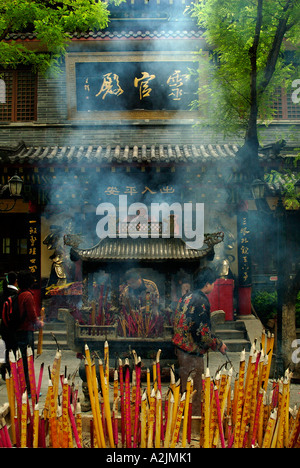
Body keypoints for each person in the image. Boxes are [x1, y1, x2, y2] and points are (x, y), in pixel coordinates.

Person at [172, 267, 227, 414]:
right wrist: (218, 344)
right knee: (194, 391)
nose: (214, 286)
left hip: (180, 350)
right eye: (213, 283)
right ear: (207, 284)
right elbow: (203, 333)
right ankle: (193, 425)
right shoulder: (201, 301)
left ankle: (182, 420)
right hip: (191, 353)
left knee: (184, 387)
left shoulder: (186, 297)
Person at [3, 270, 43, 390]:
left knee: (21, 359)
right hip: (26, 332)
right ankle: (28, 388)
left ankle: (21, 386)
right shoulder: (27, 296)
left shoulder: (19, 294)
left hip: (18, 332)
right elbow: (32, 317)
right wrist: (39, 323)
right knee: (27, 361)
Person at [0, 272, 18, 378]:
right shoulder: (16, 294)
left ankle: (4, 369)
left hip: (3, 325)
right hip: (12, 326)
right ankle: (10, 370)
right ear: (16, 281)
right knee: (12, 349)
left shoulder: (2, 293)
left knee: (5, 348)